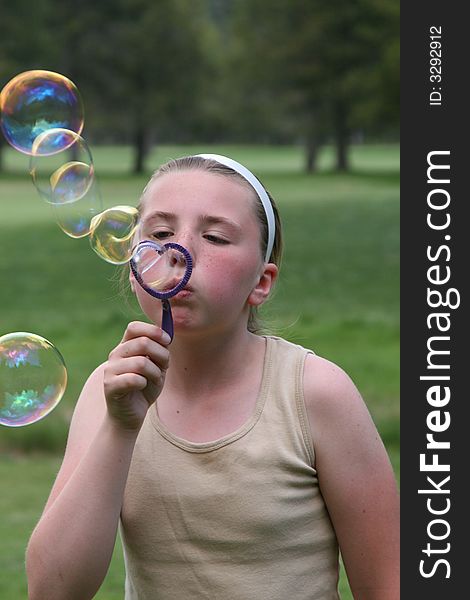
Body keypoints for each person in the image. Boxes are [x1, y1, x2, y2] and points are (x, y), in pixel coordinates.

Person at [26, 154, 399, 600]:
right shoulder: (110, 395)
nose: (179, 252)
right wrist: (121, 427)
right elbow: (52, 590)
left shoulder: (314, 393)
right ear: (135, 270)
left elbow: (387, 586)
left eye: (216, 236)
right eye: (160, 234)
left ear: (261, 283)